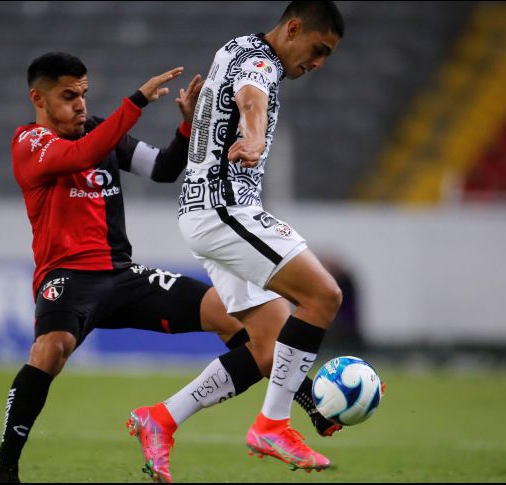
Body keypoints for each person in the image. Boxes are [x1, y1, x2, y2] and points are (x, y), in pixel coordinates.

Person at [0, 51, 337, 484]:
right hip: (68, 277)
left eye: (83, 94)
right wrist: (135, 102)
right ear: (38, 98)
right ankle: (4, 471)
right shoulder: (30, 144)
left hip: (123, 275)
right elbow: (78, 157)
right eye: (68, 96)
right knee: (51, 348)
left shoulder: (98, 130)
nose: (80, 105)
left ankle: (308, 400)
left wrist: (187, 127)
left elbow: (164, 168)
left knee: (232, 317)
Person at [127, 1, 345, 480]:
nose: (318, 63)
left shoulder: (236, 49)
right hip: (225, 209)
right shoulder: (261, 62)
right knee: (324, 295)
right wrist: (254, 135)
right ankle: (272, 426)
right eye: (319, 49)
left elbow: (234, 100)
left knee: (268, 347)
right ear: (293, 28)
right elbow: (252, 99)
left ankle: (162, 418)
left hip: (206, 211)